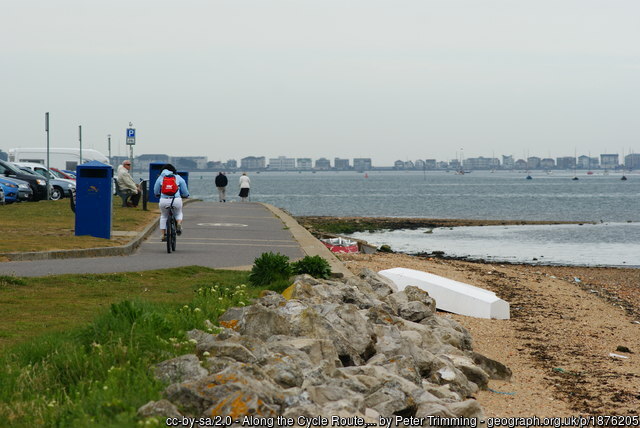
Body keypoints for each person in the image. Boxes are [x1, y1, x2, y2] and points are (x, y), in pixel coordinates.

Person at [153, 164, 189, 242]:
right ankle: (178, 224)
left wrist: (157, 194)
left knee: (163, 216)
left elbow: (156, 190)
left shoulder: (160, 178)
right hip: (176, 200)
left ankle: (163, 235)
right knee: (178, 213)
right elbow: (185, 191)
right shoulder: (178, 177)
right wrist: (186, 195)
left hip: (164, 200)